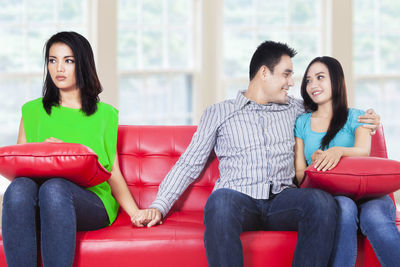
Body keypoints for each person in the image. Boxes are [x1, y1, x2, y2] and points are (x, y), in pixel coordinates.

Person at [143, 41, 380, 267]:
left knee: (321, 202)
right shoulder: (219, 112)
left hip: (283, 200)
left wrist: (367, 118)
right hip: (239, 198)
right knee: (220, 201)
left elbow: (332, 109)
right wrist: (159, 205)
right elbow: (189, 163)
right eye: (286, 74)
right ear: (264, 73)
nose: (291, 82)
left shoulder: (296, 108)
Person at [2, 31, 153, 267]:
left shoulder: (105, 115)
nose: (58, 68)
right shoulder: (31, 111)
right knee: (19, 188)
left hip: (91, 202)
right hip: (40, 197)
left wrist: (135, 212)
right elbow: (22, 170)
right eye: (52, 60)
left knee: (54, 188)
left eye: (68, 60)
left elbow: (111, 170)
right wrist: (45, 154)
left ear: (82, 64)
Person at [294, 56, 400, 267]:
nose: (313, 85)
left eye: (320, 77)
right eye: (308, 80)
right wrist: (313, 166)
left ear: (336, 79)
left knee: (375, 217)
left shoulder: (358, 117)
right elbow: (299, 174)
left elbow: (363, 151)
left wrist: (338, 151)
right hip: (331, 197)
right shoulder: (302, 122)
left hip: (370, 195)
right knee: (343, 207)